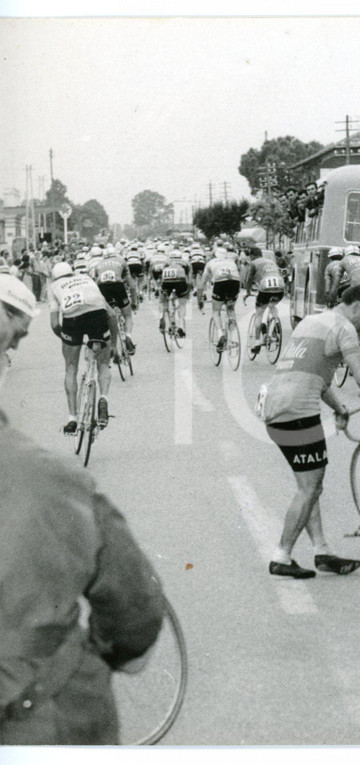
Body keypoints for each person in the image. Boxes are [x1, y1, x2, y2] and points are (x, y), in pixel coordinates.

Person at [0, 277, 166, 745]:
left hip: (71, 323)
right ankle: (101, 394)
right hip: (37, 718)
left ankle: (76, 413)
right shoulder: (55, 480)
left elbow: (57, 322)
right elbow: (135, 614)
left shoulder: (59, 289)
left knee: (71, 366)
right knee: (102, 359)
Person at [261, 285, 360, 579]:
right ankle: (281, 555)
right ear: (357, 306)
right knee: (310, 488)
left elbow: (315, 376)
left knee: (309, 486)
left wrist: (339, 408)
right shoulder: (344, 328)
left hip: (275, 408)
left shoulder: (311, 320)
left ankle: (322, 551)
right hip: (298, 413)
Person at [48, 262, 118, 433]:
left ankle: (72, 419)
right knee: (103, 364)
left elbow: (55, 324)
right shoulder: (86, 278)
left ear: (54, 277)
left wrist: (69, 340)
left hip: (72, 319)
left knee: (71, 368)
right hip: (97, 315)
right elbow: (112, 315)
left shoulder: (54, 286)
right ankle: (103, 398)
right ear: (72, 273)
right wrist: (114, 344)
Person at [91, 246, 137, 356]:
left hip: (102, 288)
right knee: (127, 316)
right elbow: (131, 284)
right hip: (118, 286)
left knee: (109, 317)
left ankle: (113, 346)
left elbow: (95, 284)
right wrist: (134, 302)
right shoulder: (121, 261)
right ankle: (128, 337)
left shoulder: (98, 264)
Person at [243, 249, 285, 354]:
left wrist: (248, 292)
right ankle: (275, 322)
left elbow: (249, 279)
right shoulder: (272, 262)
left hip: (265, 288)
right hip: (280, 288)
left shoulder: (253, 263)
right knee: (272, 305)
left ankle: (257, 343)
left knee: (259, 313)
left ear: (252, 256)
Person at [202, 248, 243, 353]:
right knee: (231, 309)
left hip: (220, 283)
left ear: (214, 256)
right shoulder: (231, 261)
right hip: (235, 282)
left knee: (216, 311)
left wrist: (199, 299)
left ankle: (220, 335)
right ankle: (232, 337)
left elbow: (202, 283)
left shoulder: (211, 262)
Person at [158, 251, 191, 338]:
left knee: (162, 301)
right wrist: (188, 290)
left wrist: (161, 289)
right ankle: (180, 326)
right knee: (182, 304)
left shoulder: (166, 262)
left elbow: (161, 276)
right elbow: (189, 278)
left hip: (166, 280)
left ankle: (161, 315)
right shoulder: (185, 263)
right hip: (180, 281)